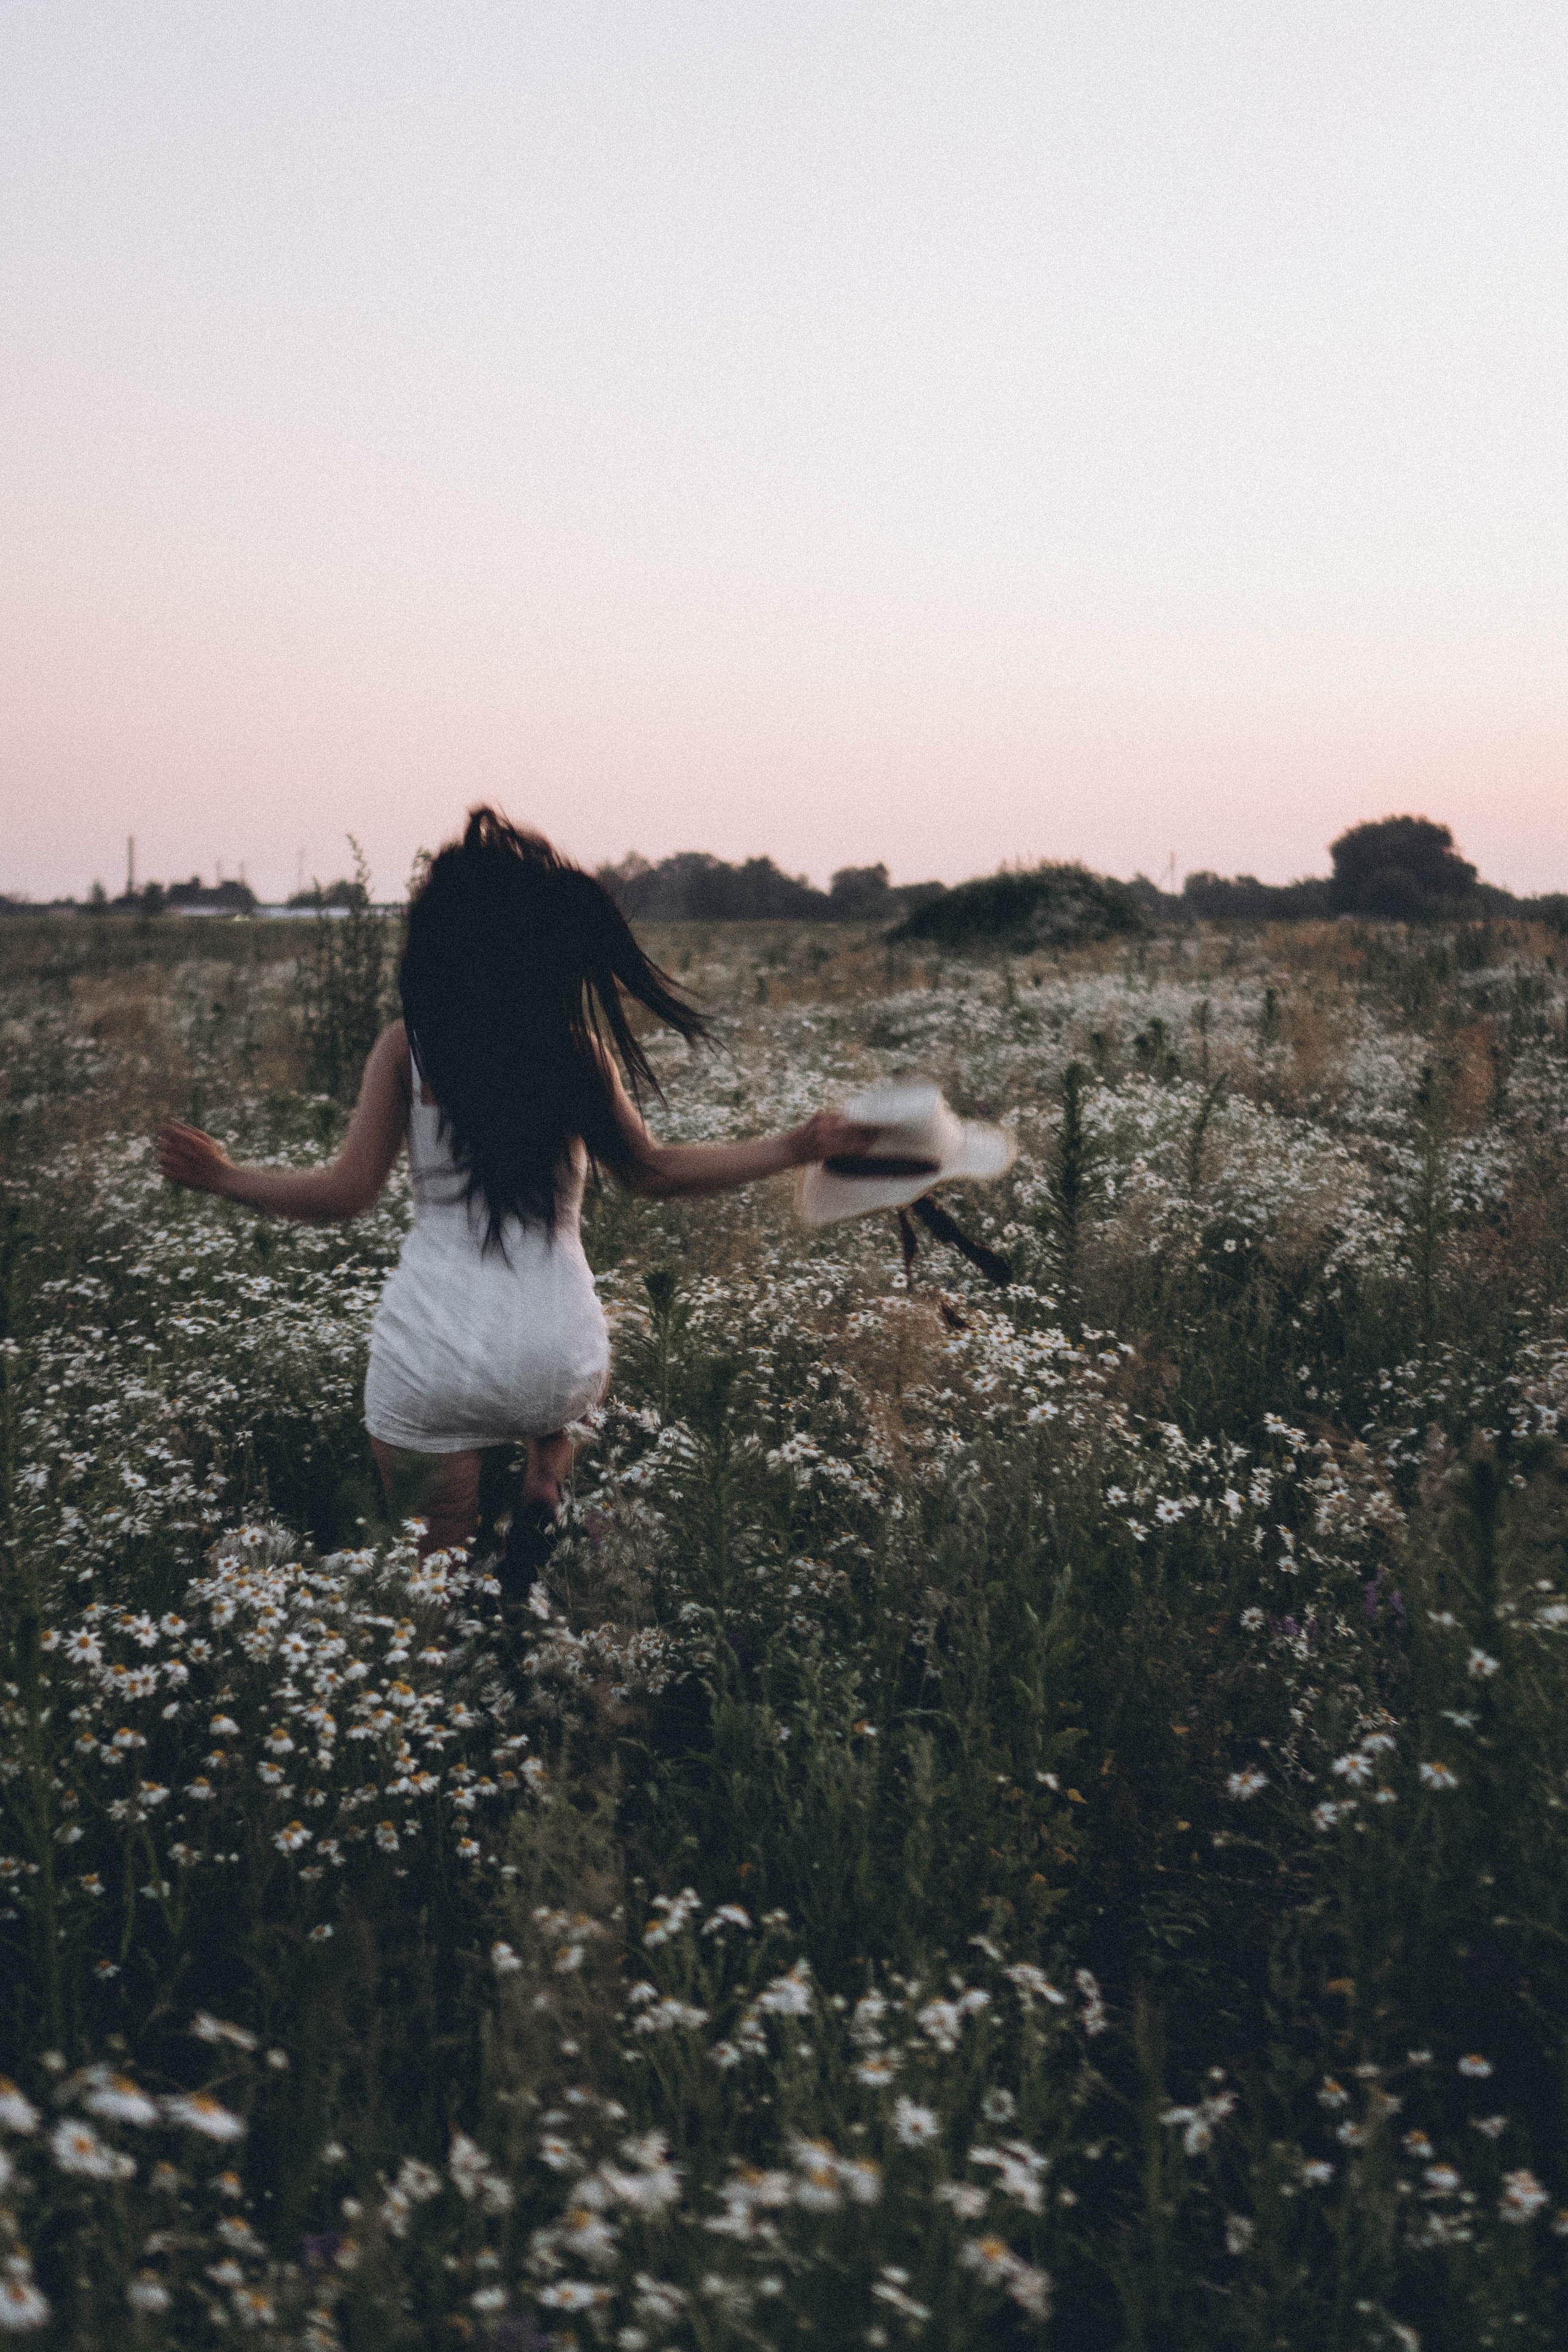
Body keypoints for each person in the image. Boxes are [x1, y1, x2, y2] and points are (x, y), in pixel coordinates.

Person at [157, 809, 874, 1556]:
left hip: (435, 1360)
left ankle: (456, 1639)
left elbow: (346, 1195)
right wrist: (796, 1145)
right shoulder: (575, 1053)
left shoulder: (410, 1048)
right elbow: (655, 1172)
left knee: (436, 1568)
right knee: (566, 1331)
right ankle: (544, 1481)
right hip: (557, 1369)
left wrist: (225, 1176)